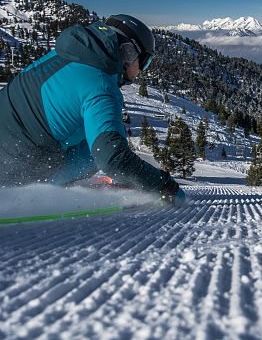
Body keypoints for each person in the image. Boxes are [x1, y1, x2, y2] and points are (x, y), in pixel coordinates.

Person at [0, 14, 185, 205]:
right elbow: (112, 158)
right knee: (94, 150)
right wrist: (164, 186)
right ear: (129, 53)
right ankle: (50, 190)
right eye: (145, 62)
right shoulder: (101, 84)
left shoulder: (67, 53)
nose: (141, 71)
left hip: (10, 140)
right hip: (14, 167)